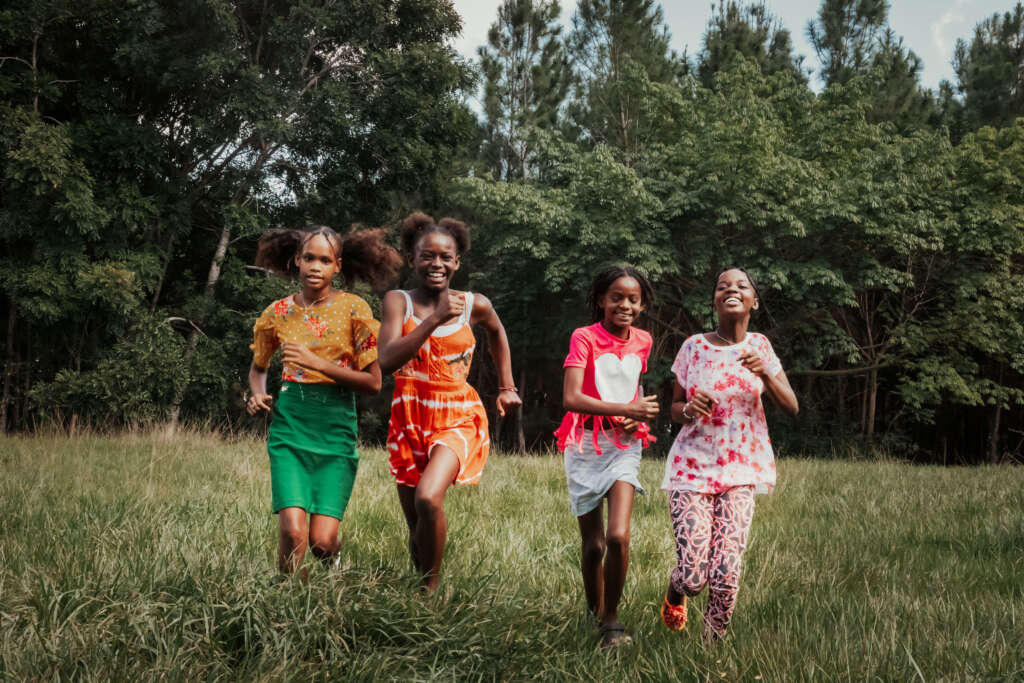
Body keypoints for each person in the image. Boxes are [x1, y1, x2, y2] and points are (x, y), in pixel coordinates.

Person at [378, 211, 521, 592]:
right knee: (416, 528)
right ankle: (422, 580)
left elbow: (497, 332)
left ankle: (431, 593)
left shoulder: (475, 304)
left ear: (457, 262)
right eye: (427, 255)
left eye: (446, 257)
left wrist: (507, 386)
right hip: (409, 415)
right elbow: (387, 360)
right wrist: (434, 319)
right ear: (412, 259)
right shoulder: (398, 302)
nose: (436, 263)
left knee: (428, 498)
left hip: (457, 414)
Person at [247, 225, 400, 574]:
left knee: (321, 542)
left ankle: (334, 563)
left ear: (338, 266)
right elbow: (258, 368)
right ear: (297, 261)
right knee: (293, 531)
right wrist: (257, 395)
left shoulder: (353, 309)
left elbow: (373, 382)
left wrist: (318, 363)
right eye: (309, 258)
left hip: (335, 432)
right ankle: (289, 604)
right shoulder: (278, 312)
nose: (316, 266)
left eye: (325, 260)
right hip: (290, 428)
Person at [659, 267, 798, 641]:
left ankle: (708, 653)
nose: (731, 290)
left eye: (741, 286)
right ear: (715, 301)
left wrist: (766, 373)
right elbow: (673, 408)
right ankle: (676, 590)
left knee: (725, 574)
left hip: (741, 470)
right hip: (691, 468)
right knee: (693, 575)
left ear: (754, 300)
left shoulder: (761, 346)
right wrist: (688, 409)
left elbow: (792, 406)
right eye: (723, 286)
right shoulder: (693, 346)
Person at [555, 265, 660, 648]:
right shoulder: (584, 337)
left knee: (618, 536)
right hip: (584, 444)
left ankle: (611, 621)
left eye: (633, 299)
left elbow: (632, 384)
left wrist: (638, 414)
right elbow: (571, 398)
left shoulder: (644, 341)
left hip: (623, 446)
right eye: (616, 297)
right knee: (595, 544)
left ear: (643, 305)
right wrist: (627, 407)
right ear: (601, 300)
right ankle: (593, 609)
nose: (625, 305)